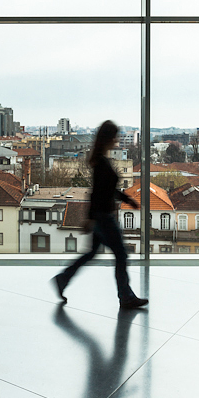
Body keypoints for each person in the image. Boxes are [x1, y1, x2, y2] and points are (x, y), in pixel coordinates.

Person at [53, 120, 148, 309]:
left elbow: (106, 189)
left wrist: (127, 200)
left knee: (91, 253)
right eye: (115, 136)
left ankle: (62, 279)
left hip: (101, 215)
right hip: (103, 217)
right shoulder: (101, 163)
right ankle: (126, 296)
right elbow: (96, 192)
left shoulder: (101, 161)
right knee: (121, 255)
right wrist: (91, 217)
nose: (117, 140)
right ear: (108, 138)